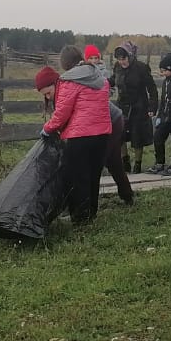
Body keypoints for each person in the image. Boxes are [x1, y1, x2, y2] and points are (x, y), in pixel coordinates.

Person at [37, 65, 133, 207]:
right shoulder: (89, 81)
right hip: (103, 128)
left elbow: (62, 114)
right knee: (102, 166)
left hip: (105, 124)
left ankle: (83, 210)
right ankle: (122, 198)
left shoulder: (67, 85)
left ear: (54, 83)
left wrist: (47, 128)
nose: (47, 97)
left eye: (48, 92)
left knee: (88, 170)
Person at [43, 44, 112, 224]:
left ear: (65, 63)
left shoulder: (68, 81)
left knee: (78, 176)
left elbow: (62, 112)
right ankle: (92, 212)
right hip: (103, 134)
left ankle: (80, 218)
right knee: (93, 174)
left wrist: (48, 128)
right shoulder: (100, 76)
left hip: (80, 136)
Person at [111, 42, 158, 173]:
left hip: (139, 106)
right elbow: (113, 80)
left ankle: (137, 165)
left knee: (137, 137)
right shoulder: (117, 67)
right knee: (119, 136)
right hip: (122, 106)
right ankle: (125, 162)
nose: (122, 62)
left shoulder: (141, 68)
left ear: (130, 56)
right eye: (119, 59)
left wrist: (152, 106)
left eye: (124, 59)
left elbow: (152, 88)